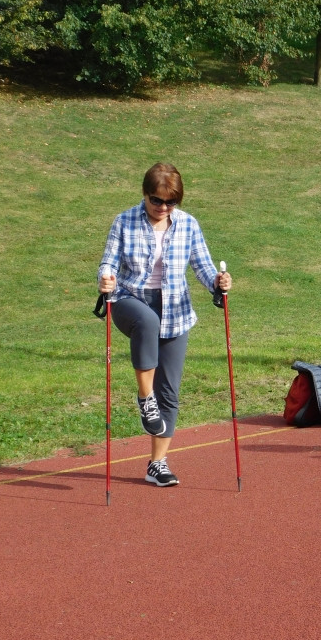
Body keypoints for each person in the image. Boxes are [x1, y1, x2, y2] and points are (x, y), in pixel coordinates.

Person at [97, 162, 231, 487]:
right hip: (130, 300)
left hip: (175, 309)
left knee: (169, 390)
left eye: (171, 202)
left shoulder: (188, 225)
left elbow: (203, 266)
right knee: (147, 321)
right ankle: (145, 399)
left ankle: (157, 464)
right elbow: (108, 261)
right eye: (156, 200)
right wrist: (106, 278)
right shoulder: (125, 221)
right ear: (145, 194)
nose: (163, 207)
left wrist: (218, 281)